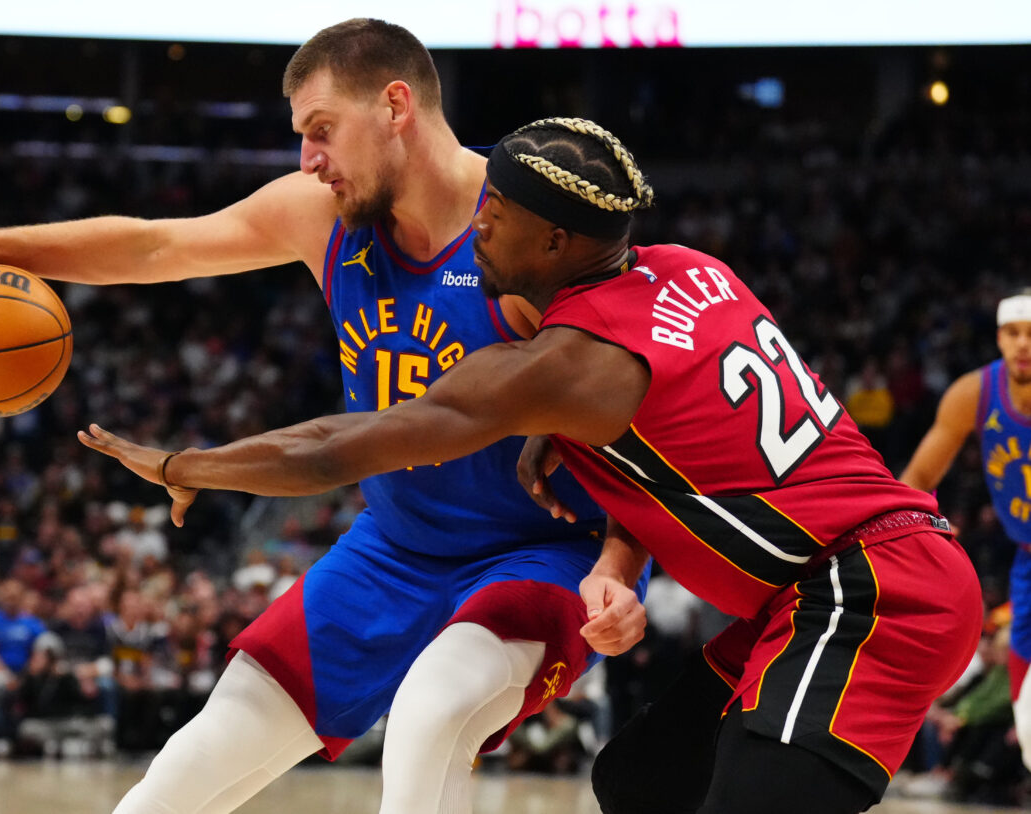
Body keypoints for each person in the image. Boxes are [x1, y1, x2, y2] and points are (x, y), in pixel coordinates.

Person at [79, 116, 984, 814]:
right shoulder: (690, 268)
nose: (478, 229)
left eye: (498, 217)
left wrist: (192, 464)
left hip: (871, 590)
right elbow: (697, 452)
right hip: (811, 586)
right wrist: (614, 541)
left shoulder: (571, 367)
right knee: (639, 782)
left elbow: (340, 444)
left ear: (555, 244)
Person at [0, 19, 649, 814]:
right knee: (182, 773)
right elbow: (159, 248)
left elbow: (643, 419)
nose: (307, 159)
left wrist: (619, 567)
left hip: (542, 552)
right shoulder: (323, 215)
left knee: (431, 714)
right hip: (394, 550)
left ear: (395, 105)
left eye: (321, 130)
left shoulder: (525, 228)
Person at [899, 289, 1031, 771]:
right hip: (1025, 560)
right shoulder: (973, 394)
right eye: (1014, 334)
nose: (1023, 345)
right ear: (998, 338)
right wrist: (921, 532)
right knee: (1029, 723)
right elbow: (915, 481)